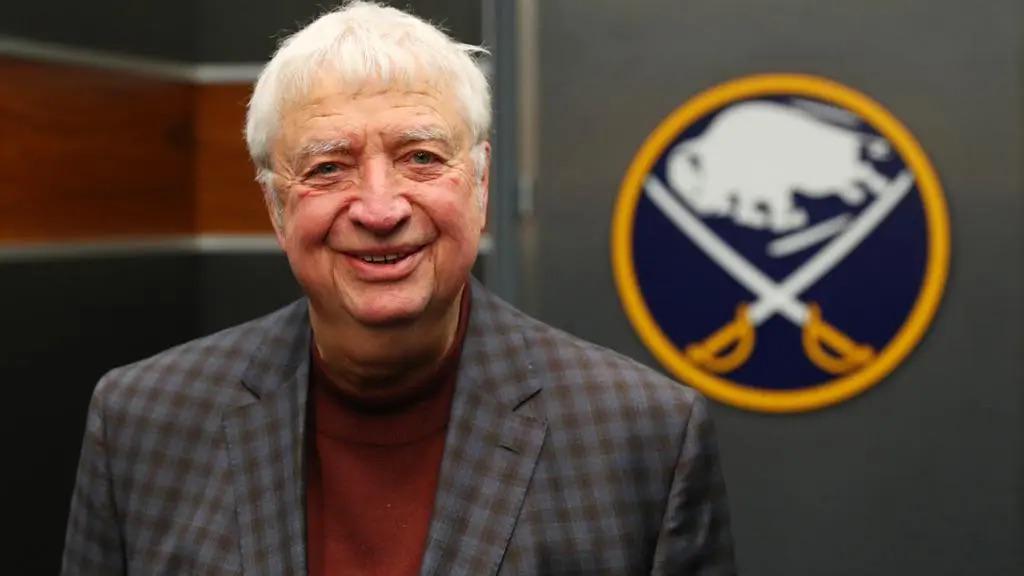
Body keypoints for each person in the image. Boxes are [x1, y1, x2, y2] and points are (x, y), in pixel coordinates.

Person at [61, 2, 736, 574]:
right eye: (328, 168)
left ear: (480, 182)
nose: (380, 209)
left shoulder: (641, 436)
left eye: (421, 158)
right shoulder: (144, 423)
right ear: (275, 206)